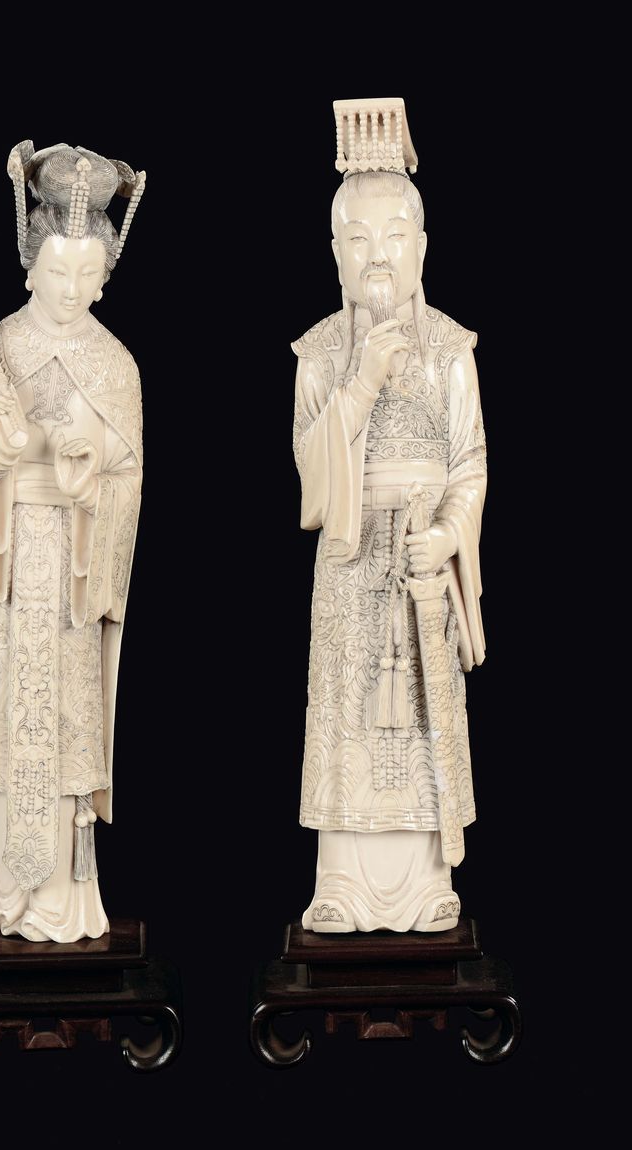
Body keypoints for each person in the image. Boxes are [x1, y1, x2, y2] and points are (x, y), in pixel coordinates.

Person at [0, 141, 146, 942]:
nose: (69, 288)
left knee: (64, 725)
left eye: (85, 274)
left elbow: (128, 479)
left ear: (104, 277)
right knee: (7, 720)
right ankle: (14, 896)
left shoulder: (116, 366)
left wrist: (89, 473)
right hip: (6, 573)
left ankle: (66, 897)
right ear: (31, 267)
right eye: (57, 271)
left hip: (69, 578)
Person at [293, 105, 486, 933]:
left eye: (394, 237)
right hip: (350, 563)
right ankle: (340, 884)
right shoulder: (317, 355)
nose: (377, 255)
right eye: (358, 239)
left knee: (418, 720)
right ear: (335, 251)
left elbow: (470, 463)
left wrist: (446, 537)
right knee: (348, 716)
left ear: (422, 248)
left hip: (420, 573)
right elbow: (310, 478)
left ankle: (424, 886)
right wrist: (363, 381)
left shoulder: (451, 351)